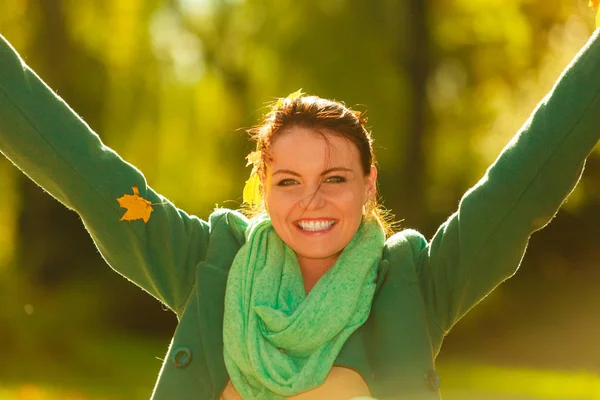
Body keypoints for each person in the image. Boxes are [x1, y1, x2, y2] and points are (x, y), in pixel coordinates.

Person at [0, 23, 599, 400]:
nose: (312, 201)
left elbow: (528, 175)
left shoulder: (415, 282)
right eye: (289, 180)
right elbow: (85, 170)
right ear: (263, 188)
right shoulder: (208, 266)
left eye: (334, 178)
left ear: (369, 184)